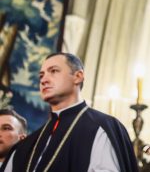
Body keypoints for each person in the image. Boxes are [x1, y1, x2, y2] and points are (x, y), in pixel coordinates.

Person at [0, 52, 138, 172]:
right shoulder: (27, 144)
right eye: (41, 75)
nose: (44, 80)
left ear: (78, 76)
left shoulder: (101, 127)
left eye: (54, 71)